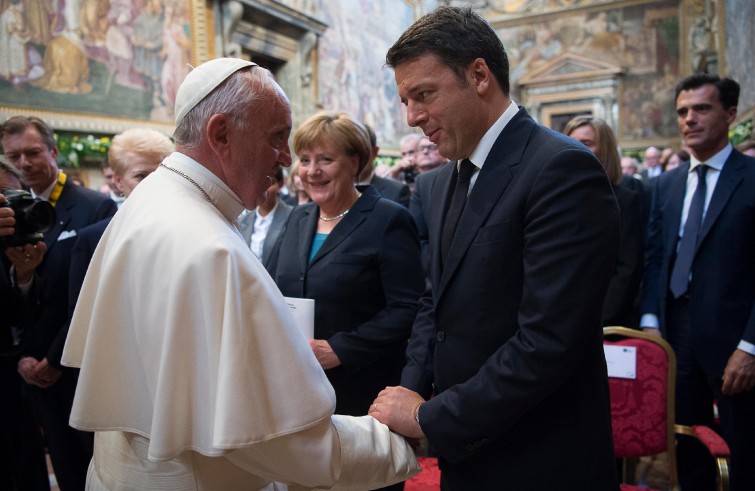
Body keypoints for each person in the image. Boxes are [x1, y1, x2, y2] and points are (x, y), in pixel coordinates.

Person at [61, 57, 419, 489]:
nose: (285, 160)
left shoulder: (153, 196)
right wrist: (400, 442)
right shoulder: (209, 248)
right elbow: (280, 441)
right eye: (276, 139)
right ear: (221, 134)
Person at [369, 7, 620, 489]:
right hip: (468, 458)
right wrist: (410, 388)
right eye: (405, 100)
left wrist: (431, 418)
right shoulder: (439, 182)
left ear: (479, 75)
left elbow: (547, 342)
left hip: (541, 457)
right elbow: (433, 302)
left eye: (423, 95)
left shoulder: (561, 170)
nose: (413, 117)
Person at [639, 73, 755, 491]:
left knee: (744, 448)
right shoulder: (666, 185)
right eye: (683, 112)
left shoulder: (751, 177)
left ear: (730, 114)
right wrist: (651, 319)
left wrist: (750, 346)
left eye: (701, 109)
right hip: (674, 335)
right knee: (686, 444)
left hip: (735, 343)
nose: (690, 119)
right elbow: (654, 258)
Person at [273, 112, 424, 427]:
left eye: (326, 159)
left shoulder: (387, 219)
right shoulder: (297, 218)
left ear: (354, 163)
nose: (312, 171)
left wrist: (340, 349)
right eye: (305, 159)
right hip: (297, 385)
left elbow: (406, 308)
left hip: (362, 387)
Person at [1, 115, 117, 490]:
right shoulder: (9, 214)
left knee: (93, 468)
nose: (24, 164)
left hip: (74, 366)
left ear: (53, 152)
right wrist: (22, 355)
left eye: (33, 153)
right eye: (13, 156)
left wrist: (52, 360)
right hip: (28, 367)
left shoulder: (93, 207)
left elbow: (95, 294)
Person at [67, 128, 175, 320]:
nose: (155, 183)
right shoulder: (93, 240)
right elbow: (83, 317)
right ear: (118, 181)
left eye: (162, 173)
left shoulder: (189, 233)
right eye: (141, 176)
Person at [564, 116, 644, 327]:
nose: (573, 148)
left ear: (605, 149)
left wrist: (598, 321)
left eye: (586, 143)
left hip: (603, 322)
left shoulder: (625, 200)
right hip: (558, 318)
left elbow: (627, 270)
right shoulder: (554, 198)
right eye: (568, 141)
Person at [0, 160, 50, 491]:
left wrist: (25, 276)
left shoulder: (20, 239)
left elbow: (23, 314)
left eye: (11, 197)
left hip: (15, 392)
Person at [238, 166, 293, 275]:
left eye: (269, 183)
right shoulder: (244, 221)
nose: (263, 189)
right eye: (257, 183)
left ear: (280, 184)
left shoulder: (293, 217)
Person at [358, 123, 410, 207]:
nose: (355, 157)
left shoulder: (396, 190)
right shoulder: (333, 191)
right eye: (350, 151)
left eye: (361, 150)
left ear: (374, 152)